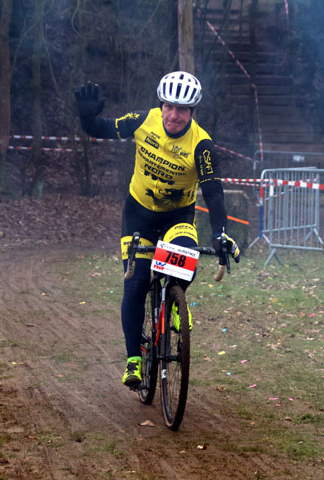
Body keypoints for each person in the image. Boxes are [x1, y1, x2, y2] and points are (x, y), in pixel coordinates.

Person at [74, 71, 241, 387]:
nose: (174, 115)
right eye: (169, 106)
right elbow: (102, 128)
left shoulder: (201, 144)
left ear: (192, 112)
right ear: (161, 105)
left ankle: (176, 302)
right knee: (136, 284)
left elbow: (214, 192)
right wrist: (86, 119)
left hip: (176, 217)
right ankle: (134, 360)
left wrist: (220, 232)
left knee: (186, 255)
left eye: (182, 110)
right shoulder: (142, 120)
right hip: (138, 216)